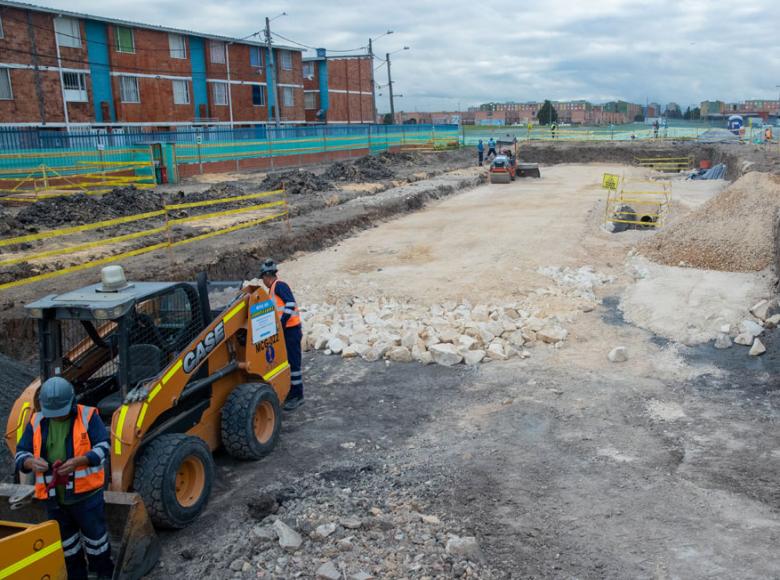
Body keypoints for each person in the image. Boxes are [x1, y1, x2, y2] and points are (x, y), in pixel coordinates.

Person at [15, 377, 114, 580]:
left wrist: (82, 460)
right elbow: (21, 452)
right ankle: (76, 576)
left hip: (87, 498)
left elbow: (104, 446)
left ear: (71, 403)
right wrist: (30, 462)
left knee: (96, 542)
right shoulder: (36, 421)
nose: (57, 418)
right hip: (55, 501)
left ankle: (103, 573)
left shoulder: (87, 417)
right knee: (67, 546)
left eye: (60, 414)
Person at [260, 259, 304, 411]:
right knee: (289, 362)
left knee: (294, 363)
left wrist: (281, 323)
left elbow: (290, 304)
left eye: (262, 278)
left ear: (267, 276)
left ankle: (298, 395)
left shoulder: (279, 286)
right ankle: (292, 392)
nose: (263, 282)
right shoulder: (272, 289)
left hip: (291, 330)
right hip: (287, 330)